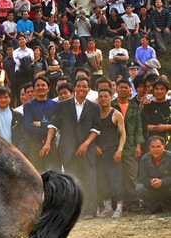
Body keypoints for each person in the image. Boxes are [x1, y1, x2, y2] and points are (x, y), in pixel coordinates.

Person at [43, 77, 101, 217]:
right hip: (68, 149)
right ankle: (75, 212)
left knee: (89, 179)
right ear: (75, 88)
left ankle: (90, 211)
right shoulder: (62, 105)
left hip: (87, 149)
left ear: (88, 89)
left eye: (85, 87)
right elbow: (53, 125)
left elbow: (96, 129)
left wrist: (86, 144)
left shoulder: (94, 107)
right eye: (79, 86)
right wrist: (47, 143)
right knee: (72, 181)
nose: (82, 89)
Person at [95, 88, 126, 218]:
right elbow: (91, 132)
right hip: (99, 153)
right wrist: (95, 146)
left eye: (105, 96)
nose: (103, 99)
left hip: (113, 153)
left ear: (111, 97)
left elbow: (123, 134)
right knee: (102, 180)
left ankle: (119, 207)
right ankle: (107, 207)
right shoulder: (95, 114)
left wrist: (119, 150)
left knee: (115, 180)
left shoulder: (116, 114)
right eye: (100, 96)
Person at [23, 76, 59, 171]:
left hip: (52, 145)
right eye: (37, 85)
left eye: (43, 85)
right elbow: (28, 126)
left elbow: (56, 124)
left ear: (48, 88)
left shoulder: (55, 105)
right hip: (35, 146)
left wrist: (40, 124)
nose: (40, 87)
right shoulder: (28, 106)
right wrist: (48, 128)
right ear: (34, 89)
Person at [137, 136, 171, 214]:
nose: (156, 149)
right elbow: (142, 178)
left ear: (164, 146)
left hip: (167, 187)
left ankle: (164, 205)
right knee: (139, 188)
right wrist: (151, 182)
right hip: (152, 187)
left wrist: (162, 182)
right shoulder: (144, 159)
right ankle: (154, 206)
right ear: (149, 148)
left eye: (158, 146)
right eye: (153, 147)